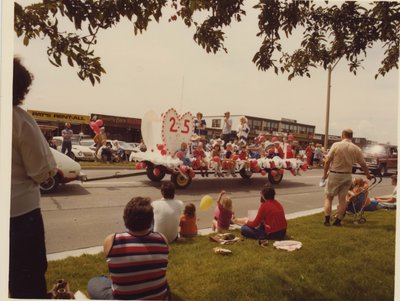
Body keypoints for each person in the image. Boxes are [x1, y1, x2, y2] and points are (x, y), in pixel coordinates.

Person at [10, 57, 58, 298]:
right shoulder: (20, 121)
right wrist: (49, 174)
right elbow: (41, 171)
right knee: (27, 284)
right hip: (20, 217)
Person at [87, 197, 169, 300]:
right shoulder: (162, 239)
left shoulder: (112, 240)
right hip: (158, 297)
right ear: (151, 220)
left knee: (94, 282)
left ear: (125, 218)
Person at [322, 128, 372, 226]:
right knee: (342, 200)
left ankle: (327, 220)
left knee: (329, 197)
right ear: (351, 136)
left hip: (335, 174)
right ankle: (338, 221)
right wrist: (368, 174)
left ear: (343, 135)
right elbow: (363, 164)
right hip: (347, 175)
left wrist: (324, 174)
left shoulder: (336, 145)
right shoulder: (356, 148)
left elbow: (327, 160)